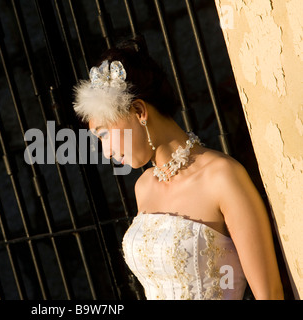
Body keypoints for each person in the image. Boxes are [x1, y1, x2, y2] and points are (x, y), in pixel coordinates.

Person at [72, 38, 284, 300]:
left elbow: (270, 294)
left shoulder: (222, 177)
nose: (106, 152)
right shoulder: (144, 187)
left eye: (104, 134)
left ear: (139, 111)